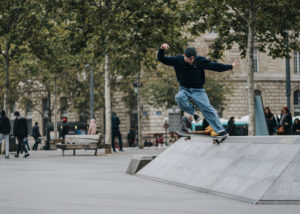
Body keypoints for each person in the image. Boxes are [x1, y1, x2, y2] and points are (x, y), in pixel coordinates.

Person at [157, 43, 239, 138]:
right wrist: (162, 49)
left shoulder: (200, 61)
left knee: (207, 108)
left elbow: (215, 66)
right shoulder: (177, 60)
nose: (192, 61)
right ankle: (194, 114)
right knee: (179, 97)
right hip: (185, 89)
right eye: (189, 59)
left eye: (193, 58)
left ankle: (220, 130)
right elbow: (162, 59)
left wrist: (230, 66)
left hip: (198, 90)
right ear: (184, 55)